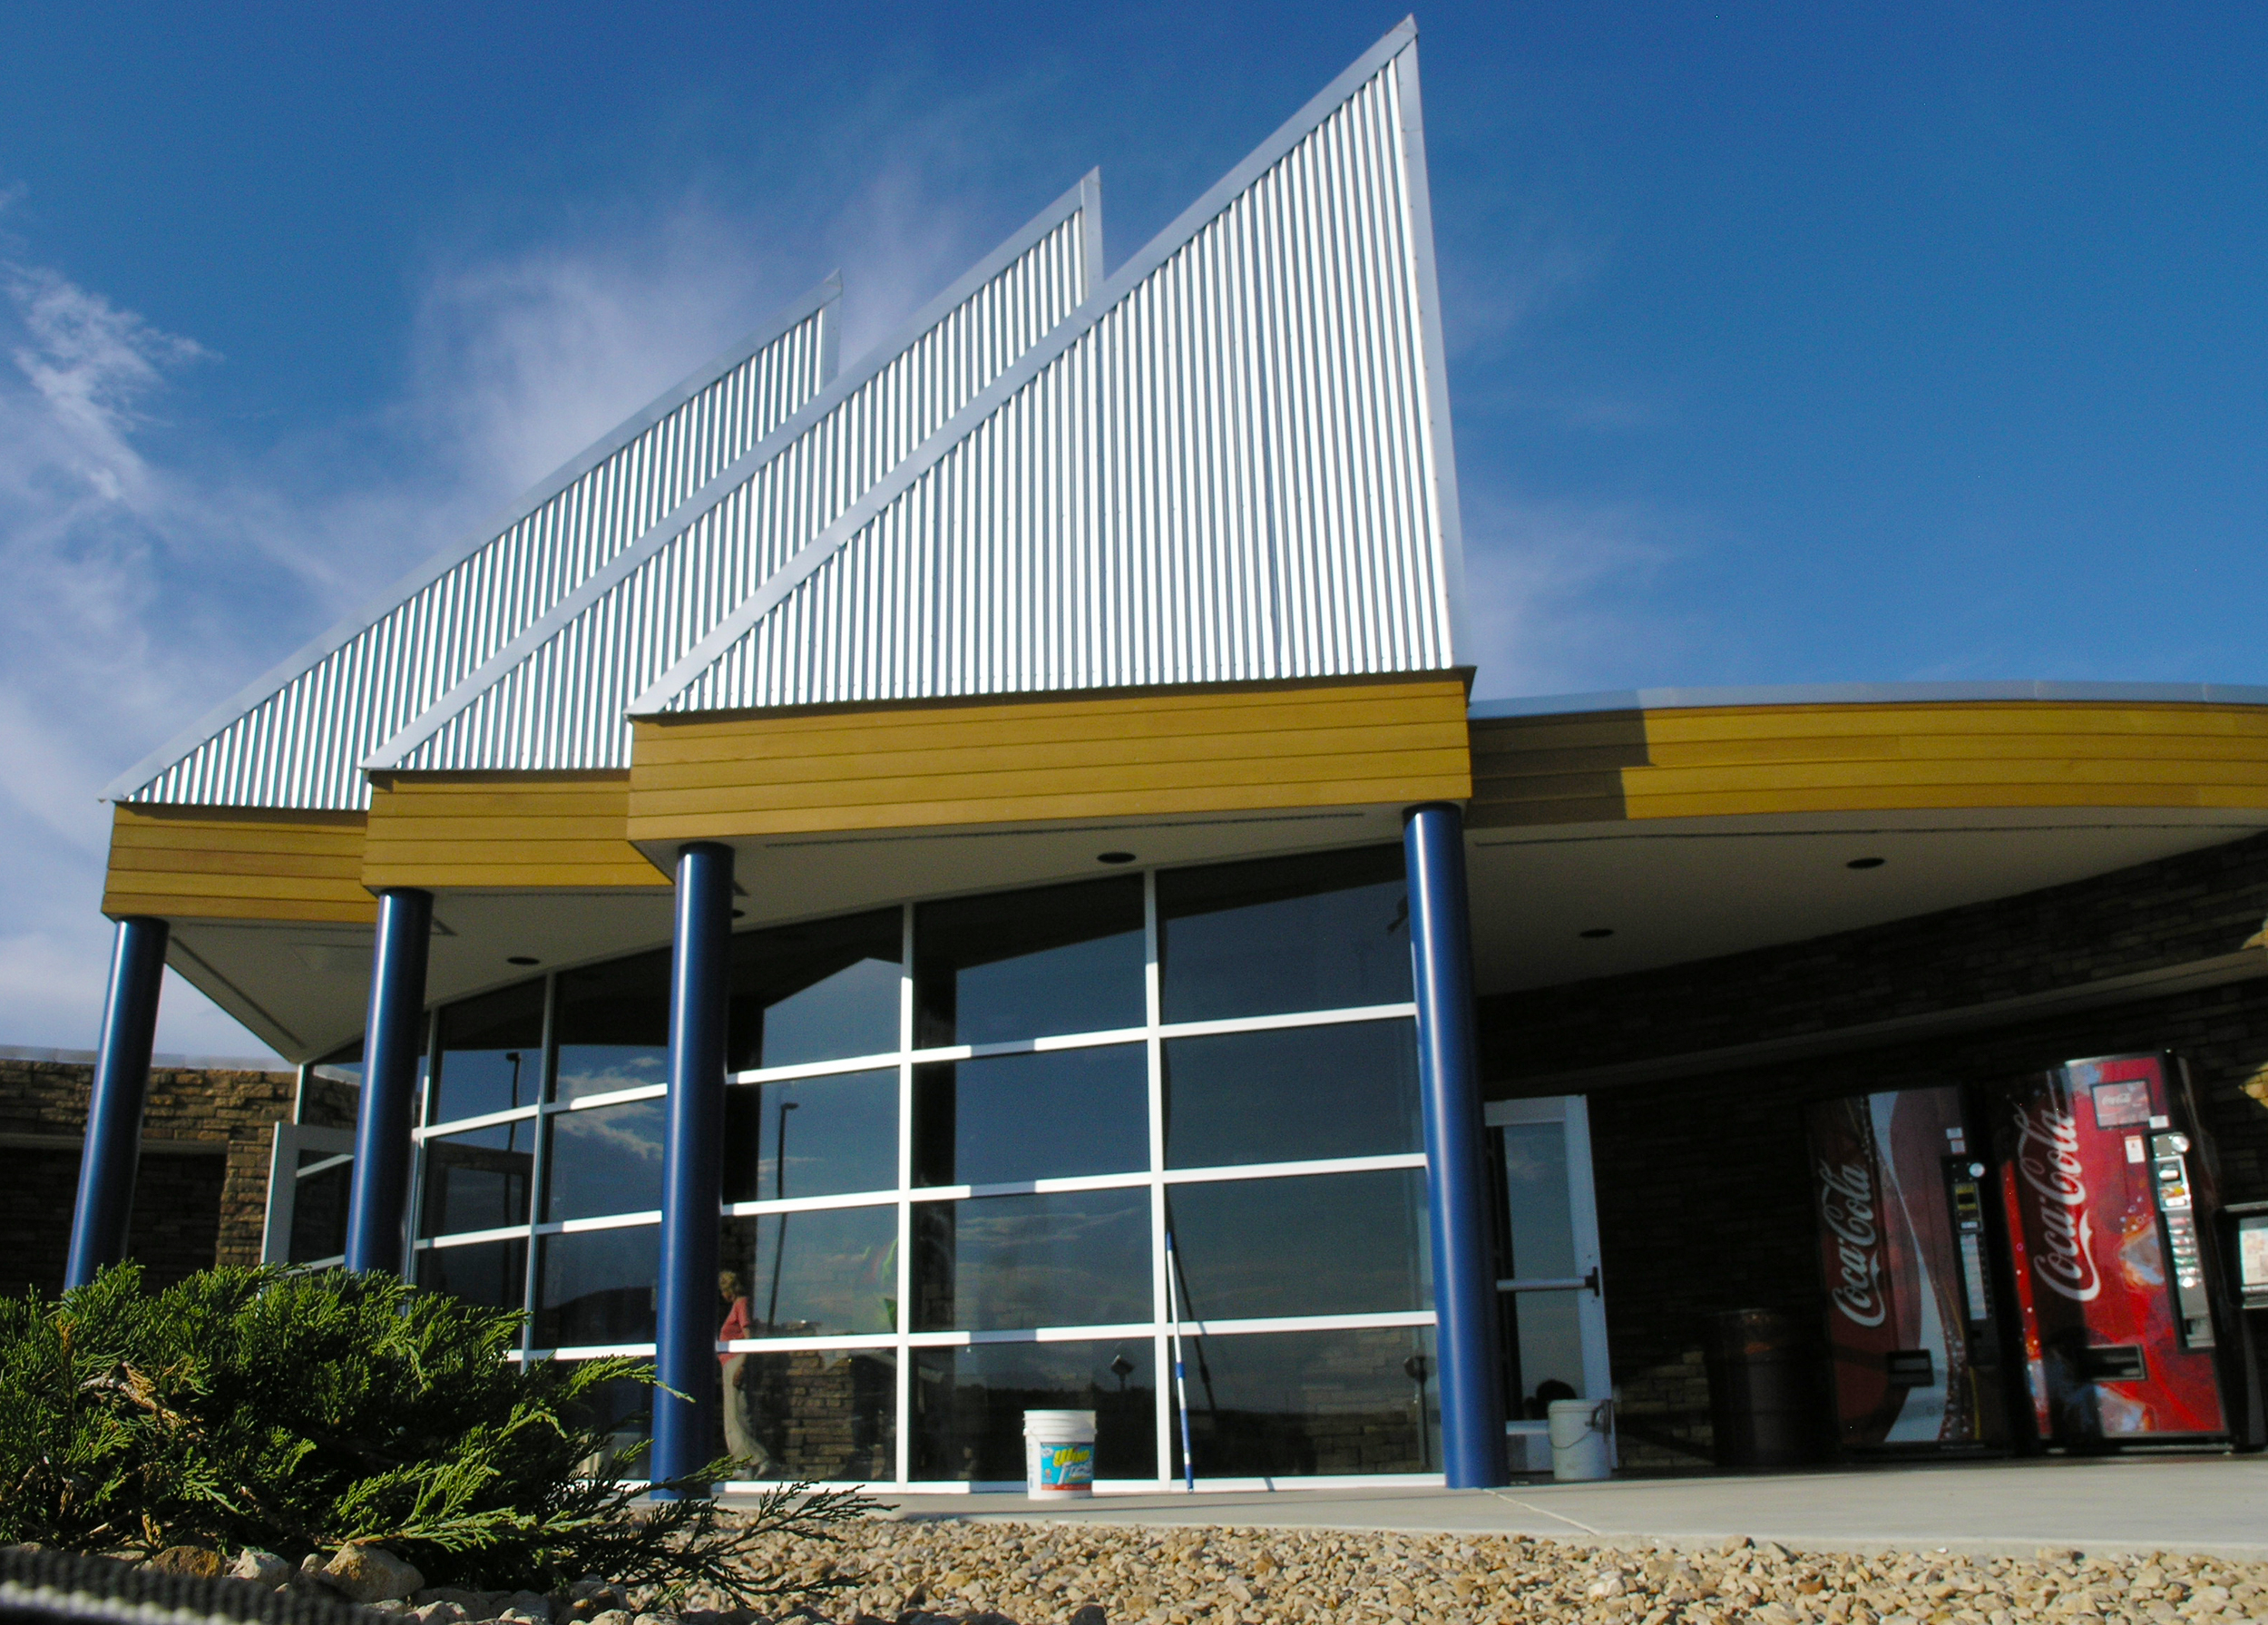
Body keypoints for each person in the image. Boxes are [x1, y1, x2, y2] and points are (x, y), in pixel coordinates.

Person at [718, 1269, 771, 1472]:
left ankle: (757, 1458)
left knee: (737, 1414)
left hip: (736, 1362)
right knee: (730, 1417)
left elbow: (749, 1338)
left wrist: (742, 1366)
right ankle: (741, 1463)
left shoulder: (741, 1304)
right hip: (728, 1363)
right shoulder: (735, 1306)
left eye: (724, 1290)